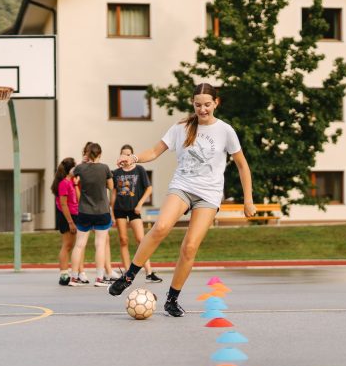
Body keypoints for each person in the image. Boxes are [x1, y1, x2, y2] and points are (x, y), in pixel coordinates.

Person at [108, 83, 255, 316]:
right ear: (192, 104)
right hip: (183, 187)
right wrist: (133, 158)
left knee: (190, 246)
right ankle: (129, 276)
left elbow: (242, 165)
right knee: (161, 227)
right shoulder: (181, 128)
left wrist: (248, 199)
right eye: (198, 105)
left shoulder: (225, 131)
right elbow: (155, 151)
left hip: (208, 194)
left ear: (216, 103)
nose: (202, 109)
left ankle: (172, 299)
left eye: (207, 104)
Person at [111, 144, 162, 283]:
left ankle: (149, 272)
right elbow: (114, 193)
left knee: (141, 239)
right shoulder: (116, 173)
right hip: (119, 209)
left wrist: (140, 204)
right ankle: (127, 274)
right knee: (123, 240)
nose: (126, 156)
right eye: (123, 154)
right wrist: (111, 211)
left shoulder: (139, 169)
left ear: (132, 155)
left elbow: (149, 188)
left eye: (128, 154)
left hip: (134, 209)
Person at [69, 142, 114, 287]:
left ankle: (73, 278)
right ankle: (99, 278)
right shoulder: (105, 168)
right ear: (100, 154)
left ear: (87, 154)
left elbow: (70, 174)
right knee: (100, 245)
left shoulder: (81, 168)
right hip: (102, 211)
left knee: (79, 245)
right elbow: (111, 186)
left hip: (84, 211)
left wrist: (82, 162)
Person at [52, 157, 78, 286]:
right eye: (75, 167)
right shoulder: (63, 183)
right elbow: (63, 204)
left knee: (71, 245)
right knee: (67, 245)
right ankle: (63, 275)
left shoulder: (71, 181)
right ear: (70, 169)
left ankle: (69, 272)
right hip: (66, 217)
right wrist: (70, 222)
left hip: (74, 215)